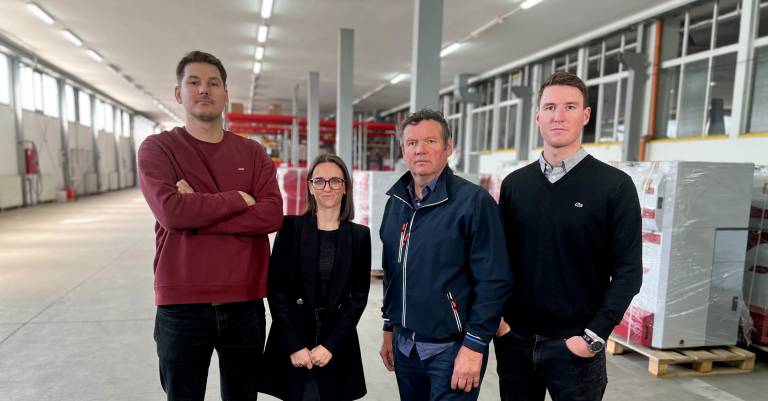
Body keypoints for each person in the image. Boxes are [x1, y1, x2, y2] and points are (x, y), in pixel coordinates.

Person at [138, 50, 283, 401]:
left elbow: (271, 215)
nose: (204, 89)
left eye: (213, 83)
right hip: (182, 305)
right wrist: (238, 198)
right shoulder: (159, 149)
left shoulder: (253, 153)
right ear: (179, 93)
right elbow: (172, 213)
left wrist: (197, 214)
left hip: (245, 303)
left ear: (226, 94)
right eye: (194, 82)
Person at [495, 71, 642, 401]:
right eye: (549, 107)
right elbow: (498, 260)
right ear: (537, 116)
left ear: (585, 115)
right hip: (516, 342)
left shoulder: (614, 187)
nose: (558, 116)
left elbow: (629, 272)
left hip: (576, 349)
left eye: (570, 107)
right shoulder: (515, 185)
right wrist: (501, 325)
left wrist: (593, 336)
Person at [378, 109, 513, 401]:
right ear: (403, 150)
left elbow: (494, 280)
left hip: (452, 350)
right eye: (412, 143)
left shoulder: (473, 202)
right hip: (406, 347)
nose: (420, 149)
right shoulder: (396, 203)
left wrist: (475, 345)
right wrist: (389, 327)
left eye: (430, 141)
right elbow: (392, 271)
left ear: (448, 147)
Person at [261, 154, 371, 401]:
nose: (327, 187)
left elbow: (359, 297)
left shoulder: (359, 236)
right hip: (295, 340)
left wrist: (331, 345)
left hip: (335, 343)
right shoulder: (290, 229)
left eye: (335, 181)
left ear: (345, 187)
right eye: (319, 181)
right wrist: (294, 345)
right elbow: (276, 291)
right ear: (310, 187)